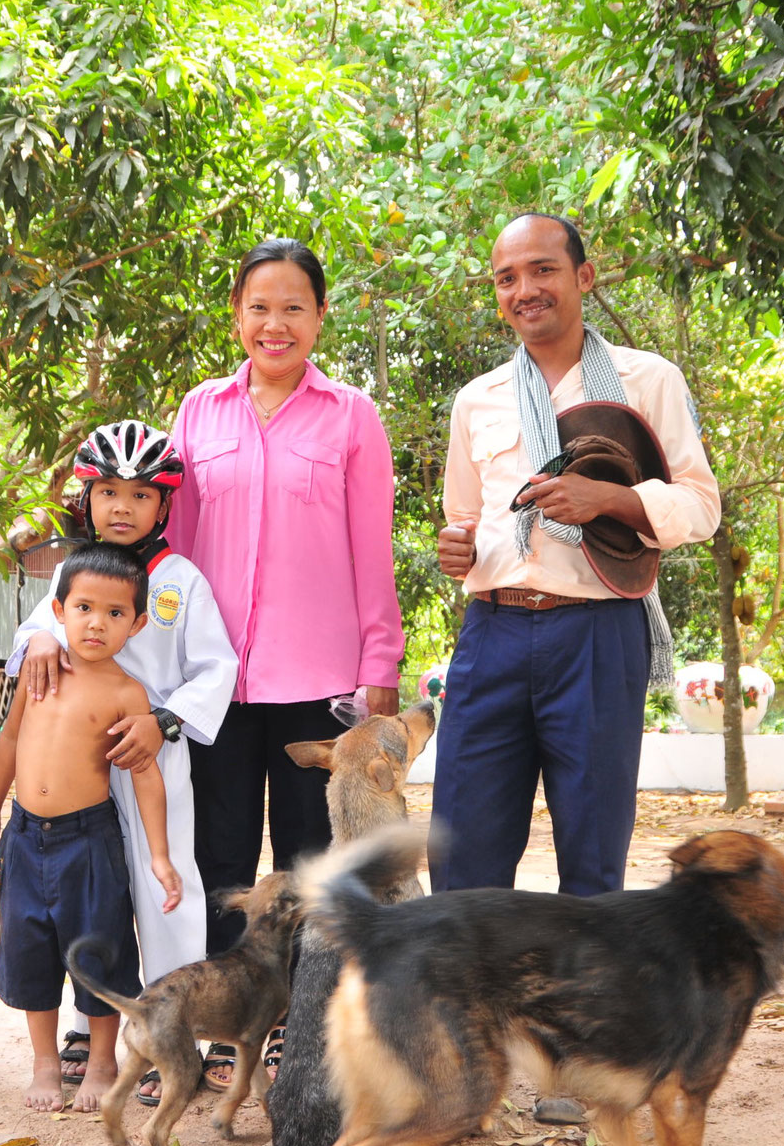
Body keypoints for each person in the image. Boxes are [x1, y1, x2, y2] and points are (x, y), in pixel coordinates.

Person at [170, 238, 405, 1088]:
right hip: (217, 683)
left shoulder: (351, 416)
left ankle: (303, 1041)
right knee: (221, 860)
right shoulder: (198, 412)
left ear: (320, 315)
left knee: (313, 861)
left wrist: (381, 662)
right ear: (237, 315)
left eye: (293, 307)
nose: (275, 323)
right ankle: (221, 1031)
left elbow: (369, 550)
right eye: (259, 306)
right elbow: (178, 551)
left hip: (325, 685)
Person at [433, 213, 719, 897]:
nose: (524, 289)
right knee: (461, 857)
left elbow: (702, 505)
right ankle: (471, 1006)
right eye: (507, 278)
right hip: (491, 634)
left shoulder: (645, 380)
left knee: (592, 863)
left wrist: (606, 499)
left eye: (542, 270)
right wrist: (457, 548)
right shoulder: (478, 401)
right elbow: (463, 520)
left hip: (596, 633)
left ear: (583, 277)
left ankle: (583, 1008)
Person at [9, 421, 237, 1101]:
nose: (121, 508)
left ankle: (171, 1038)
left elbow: (215, 667)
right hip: (76, 770)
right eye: (107, 491)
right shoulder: (75, 574)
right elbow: (39, 630)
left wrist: (163, 719)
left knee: (163, 891)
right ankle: (91, 1028)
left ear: (164, 506)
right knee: (88, 903)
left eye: (140, 495)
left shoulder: (180, 580)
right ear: (86, 498)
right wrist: (37, 645)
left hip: (150, 759)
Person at [0, 541, 183, 1113]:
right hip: (24, 836)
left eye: (115, 614)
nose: (97, 623)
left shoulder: (125, 692)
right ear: (59, 610)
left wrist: (160, 857)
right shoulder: (39, 670)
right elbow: (12, 738)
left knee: (99, 951)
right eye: (84, 608)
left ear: (137, 624)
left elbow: (144, 776)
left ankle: (100, 1062)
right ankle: (44, 1063)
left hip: (88, 841)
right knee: (27, 949)